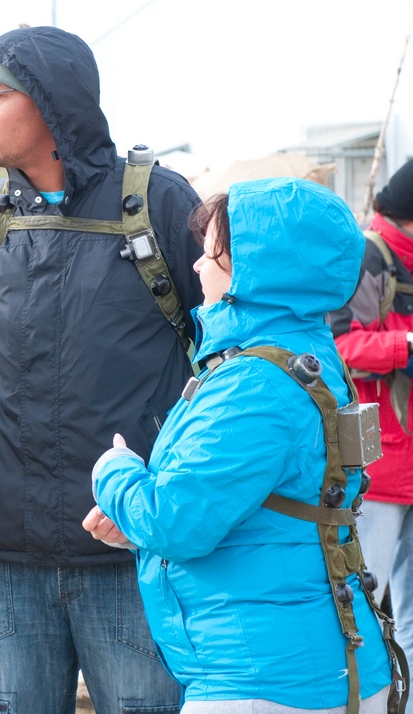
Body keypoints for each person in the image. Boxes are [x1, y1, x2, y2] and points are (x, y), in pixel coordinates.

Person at [0, 26, 203, 713]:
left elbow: (224, 368)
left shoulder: (158, 204)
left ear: (52, 100)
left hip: (132, 556)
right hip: (2, 558)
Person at [84, 177, 396, 711]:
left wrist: (114, 473)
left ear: (254, 272)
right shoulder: (307, 356)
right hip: (317, 663)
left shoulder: (252, 384)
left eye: (212, 255)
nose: (199, 267)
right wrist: (137, 532)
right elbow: (271, 513)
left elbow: (175, 521)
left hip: (264, 682)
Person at [331, 157, 413, 659]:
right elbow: (338, 345)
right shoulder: (369, 255)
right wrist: (406, 345)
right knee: (363, 605)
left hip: (401, 459)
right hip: (377, 466)